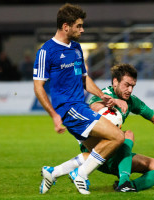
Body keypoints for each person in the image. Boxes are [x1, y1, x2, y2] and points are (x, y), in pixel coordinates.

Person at [45, 64, 154, 193]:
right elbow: (93, 107)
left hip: (117, 155)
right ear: (115, 81)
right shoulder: (104, 94)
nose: (129, 90)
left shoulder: (132, 101)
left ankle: (128, 185)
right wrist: (113, 102)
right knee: (127, 134)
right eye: (126, 85)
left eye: (133, 86)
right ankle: (123, 181)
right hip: (98, 150)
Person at [33, 4, 128, 195]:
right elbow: (38, 87)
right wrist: (54, 115)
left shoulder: (76, 48)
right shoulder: (46, 51)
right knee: (118, 136)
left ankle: (53, 172)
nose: (82, 30)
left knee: (99, 151)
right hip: (68, 109)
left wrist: (102, 95)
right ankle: (81, 175)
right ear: (66, 26)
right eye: (79, 26)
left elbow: (84, 78)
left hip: (80, 106)